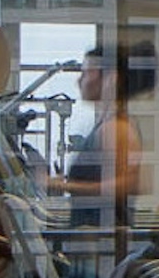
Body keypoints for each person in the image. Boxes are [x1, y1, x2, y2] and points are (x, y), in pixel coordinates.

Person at [45, 43, 145, 217]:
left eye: (86, 73)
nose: (79, 81)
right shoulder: (106, 123)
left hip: (100, 237)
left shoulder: (116, 127)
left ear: (111, 78)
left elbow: (128, 185)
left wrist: (64, 186)